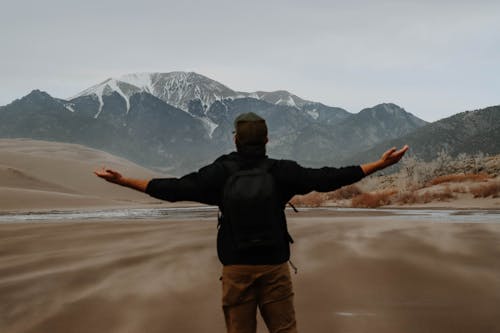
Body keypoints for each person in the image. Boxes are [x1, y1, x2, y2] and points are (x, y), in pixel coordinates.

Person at [95, 112, 409, 333]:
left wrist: (123, 181)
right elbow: (328, 178)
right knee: (285, 329)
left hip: (236, 269)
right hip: (274, 266)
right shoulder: (281, 171)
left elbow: (173, 190)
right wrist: (379, 165)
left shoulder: (219, 173)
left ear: (235, 140)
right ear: (267, 139)